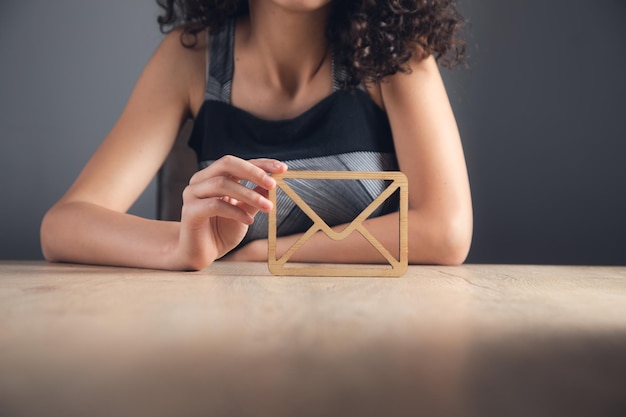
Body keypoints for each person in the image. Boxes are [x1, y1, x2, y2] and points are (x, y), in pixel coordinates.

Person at [40, 0, 473, 270]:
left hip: (381, 336)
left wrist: (268, 252)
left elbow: (446, 231)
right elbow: (63, 226)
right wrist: (181, 248)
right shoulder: (190, 57)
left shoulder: (398, 55)